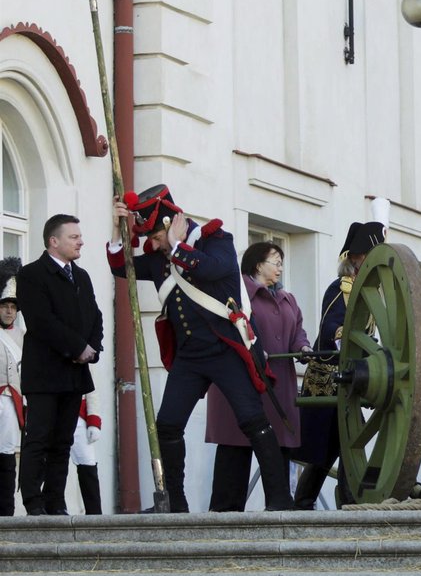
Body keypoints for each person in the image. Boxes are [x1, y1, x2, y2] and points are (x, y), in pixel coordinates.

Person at [107, 185, 293, 512]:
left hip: (226, 351)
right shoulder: (159, 259)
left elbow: (211, 269)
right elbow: (120, 266)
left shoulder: (216, 240)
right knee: (167, 424)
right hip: (190, 357)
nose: (152, 244)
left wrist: (177, 245)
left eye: (156, 237)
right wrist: (116, 228)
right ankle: (174, 503)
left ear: (171, 226)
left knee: (253, 421)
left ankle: (279, 500)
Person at [292, 198, 389, 510]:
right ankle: (306, 502)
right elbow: (334, 328)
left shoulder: (369, 292)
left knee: (349, 442)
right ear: (357, 258)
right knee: (327, 449)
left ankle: (347, 501)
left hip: (355, 379)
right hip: (330, 378)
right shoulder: (340, 288)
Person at [205, 242, 312, 511]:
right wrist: (251, 347)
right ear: (257, 265)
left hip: (279, 387)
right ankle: (226, 519)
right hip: (241, 386)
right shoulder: (235, 293)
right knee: (235, 453)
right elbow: (221, 328)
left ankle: (279, 513)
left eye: (281, 262)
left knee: (277, 454)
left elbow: (297, 330)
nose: (280, 268)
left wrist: (303, 347)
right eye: (275, 261)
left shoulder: (288, 299)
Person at [18, 215, 103, 516]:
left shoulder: (81, 277)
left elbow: (95, 316)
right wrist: (77, 347)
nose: (81, 241)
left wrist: (92, 350)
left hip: (74, 374)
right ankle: (33, 501)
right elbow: (42, 322)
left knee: (63, 441)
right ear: (54, 241)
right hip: (44, 373)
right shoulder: (31, 275)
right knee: (38, 438)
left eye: (80, 236)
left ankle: (56, 501)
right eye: (74, 237)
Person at [0, 258, 24, 516]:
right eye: (4, 306)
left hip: (12, 401)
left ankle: (6, 512)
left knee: (7, 456)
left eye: (12, 307)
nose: (8, 311)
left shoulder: (22, 336)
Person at [70, 391, 103, 514]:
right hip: (52, 412)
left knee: (88, 462)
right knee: (51, 462)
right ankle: (53, 507)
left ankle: (94, 513)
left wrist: (93, 420)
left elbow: (92, 391)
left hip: (78, 413)